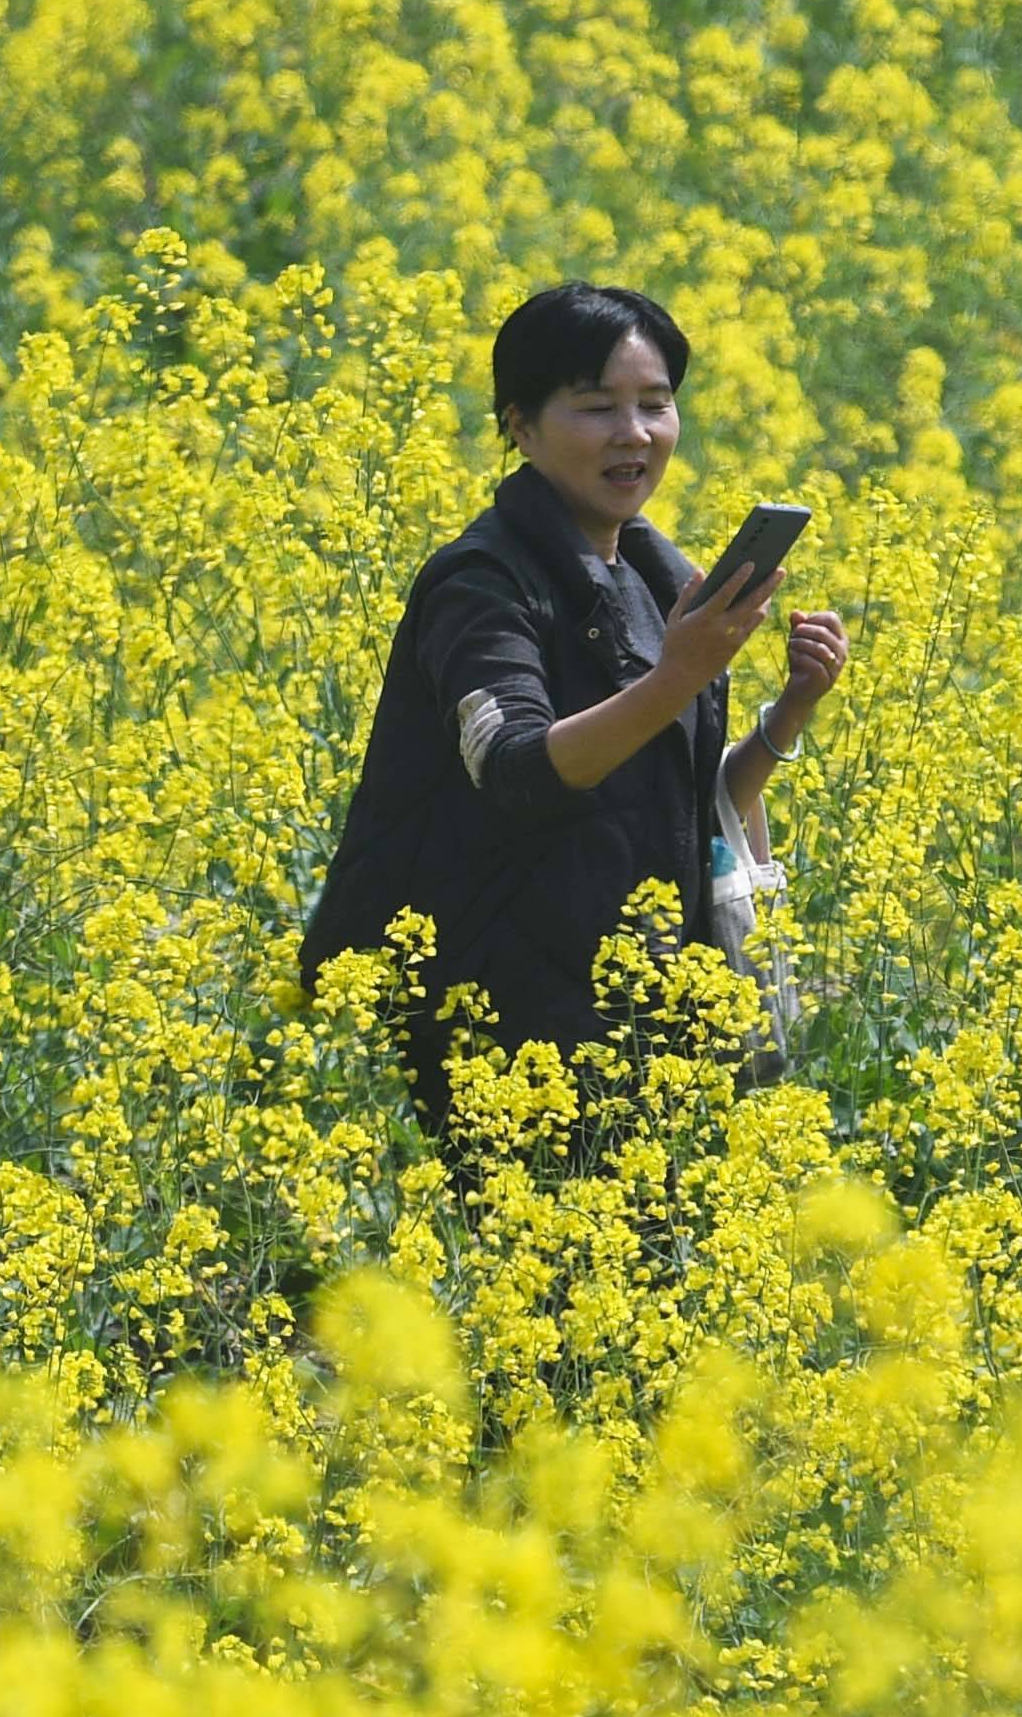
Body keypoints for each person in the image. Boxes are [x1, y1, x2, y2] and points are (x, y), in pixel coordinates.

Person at [301, 284, 850, 1136]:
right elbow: (514, 768)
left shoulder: (661, 579)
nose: (634, 434)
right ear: (520, 426)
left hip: (650, 1009)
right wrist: (676, 677)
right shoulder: (481, 586)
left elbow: (698, 803)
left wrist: (789, 715)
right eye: (597, 408)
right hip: (507, 1022)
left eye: (655, 405)